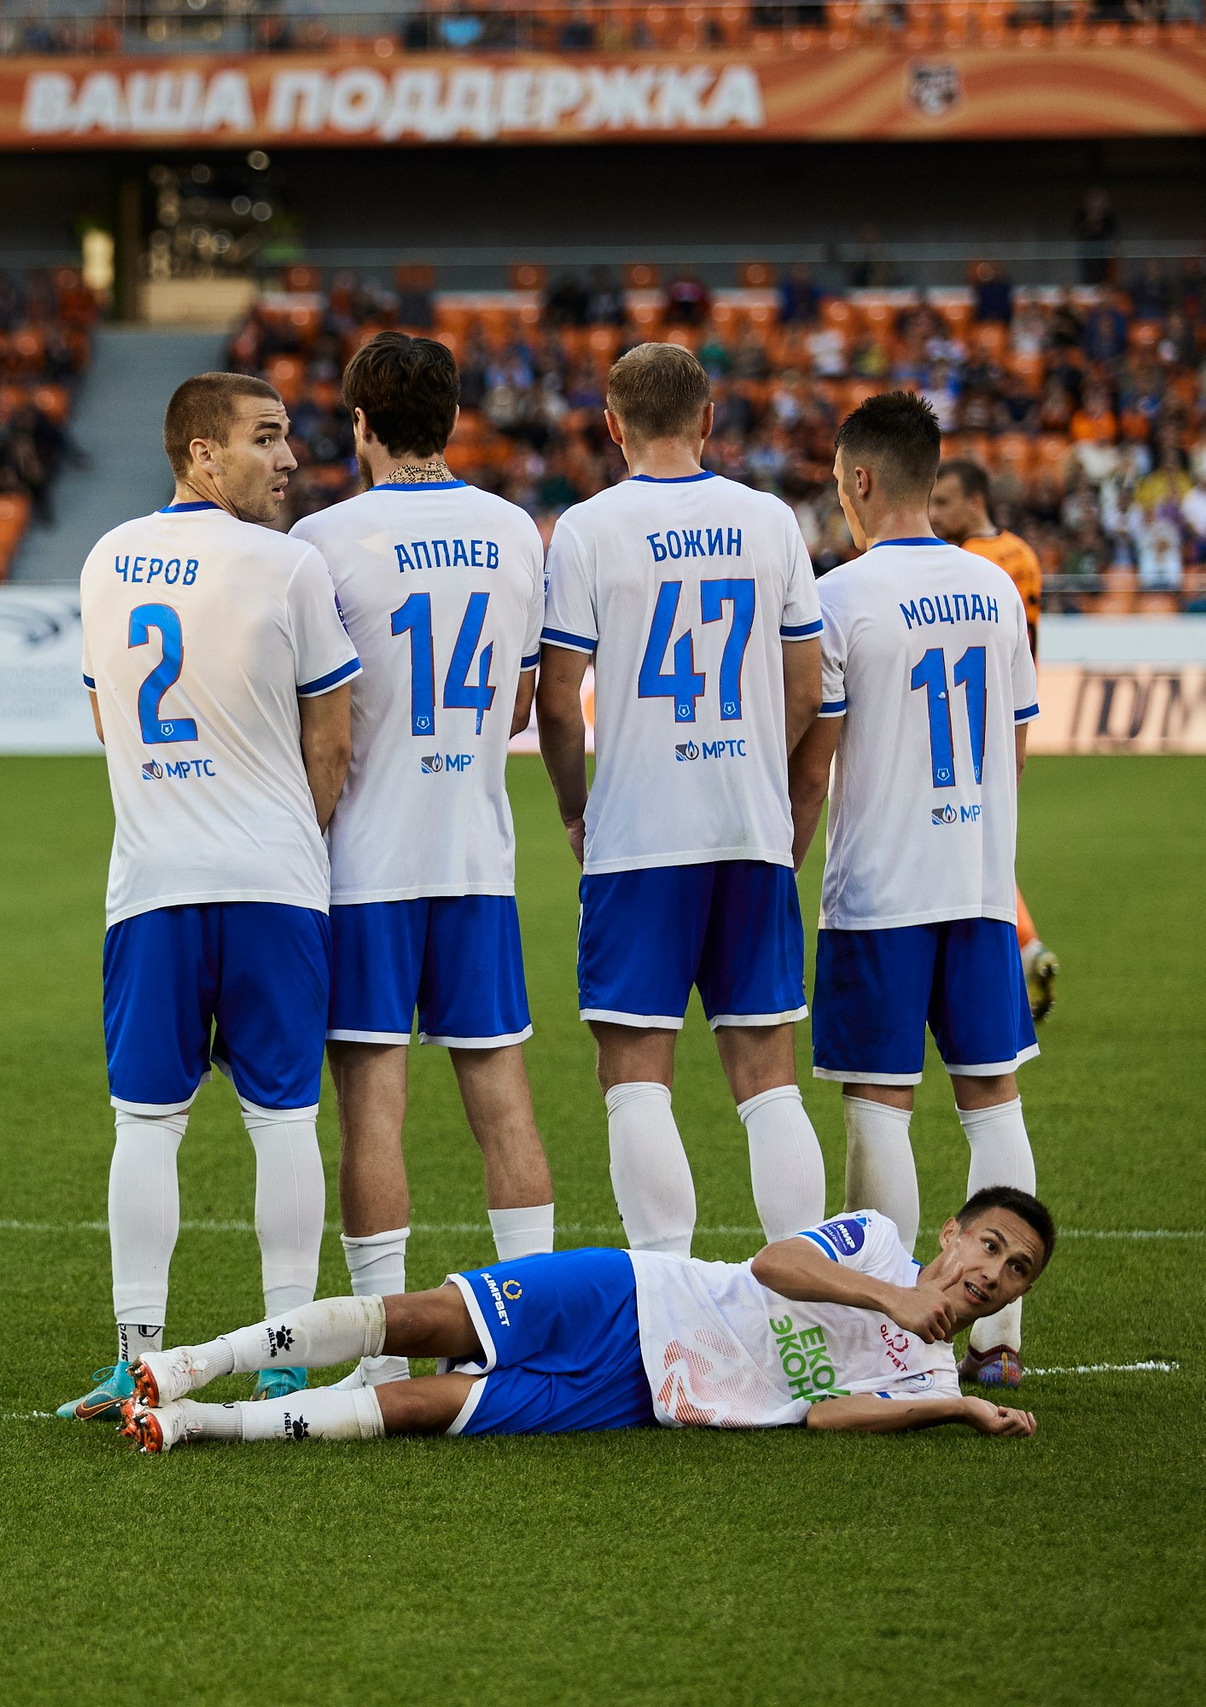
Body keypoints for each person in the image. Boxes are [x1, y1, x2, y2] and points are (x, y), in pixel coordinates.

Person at [58, 372, 357, 1421]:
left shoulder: (102, 561)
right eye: (264, 439)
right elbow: (333, 740)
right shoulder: (289, 565)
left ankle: (136, 1352)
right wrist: (283, 823)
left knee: (146, 1124)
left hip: (152, 884)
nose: (286, 458)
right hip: (274, 885)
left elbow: (109, 723)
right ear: (198, 453)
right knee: (281, 1122)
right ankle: (284, 1353)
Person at [286, 332, 556, 1387]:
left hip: (366, 862)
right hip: (475, 855)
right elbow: (525, 701)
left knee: (372, 1111)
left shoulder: (323, 539)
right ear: (452, 419)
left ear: (359, 423)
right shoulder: (510, 530)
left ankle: (381, 1362)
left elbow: (319, 720)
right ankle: (529, 1344)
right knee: (504, 1100)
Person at [536, 342, 828, 1258]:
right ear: (708, 420)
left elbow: (555, 698)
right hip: (747, 826)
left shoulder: (587, 528)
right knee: (769, 1080)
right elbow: (808, 687)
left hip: (638, 835)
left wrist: (575, 804)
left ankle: (669, 1302)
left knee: (634, 1078)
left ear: (612, 426)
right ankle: (812, 1299)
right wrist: (743, 765)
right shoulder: (770, 519)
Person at [791, 393, 1043, 1389]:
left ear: (857, 480)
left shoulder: (841, 597)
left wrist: (783, 858)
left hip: (880, 892)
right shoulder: (991, 587)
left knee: (878, 1107)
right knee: (992, 1100)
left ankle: (890, 1338)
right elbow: (1013, 749)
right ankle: (1000, 1341)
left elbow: (815, 767)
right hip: (976, 885)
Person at [118, 1187, 1051, 1450]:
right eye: (992, 1244)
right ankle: (195, 1361)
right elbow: (775, 1262)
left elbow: (824, 1415)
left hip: (639, 1397)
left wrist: (957, 1405)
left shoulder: (928, 1377)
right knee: (414, 1319)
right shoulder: (880, 1244)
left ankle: (191, 1420)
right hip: (634, 1293)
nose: (996, 1272)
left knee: (415, 1409)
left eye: (1017, 1271)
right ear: (953, 1232)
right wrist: (890, 1296)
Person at [929, 456, 1058, 1020]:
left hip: (958, 715)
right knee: (985, 843)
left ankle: (1000, 964)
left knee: (953, 844)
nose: (933, 514)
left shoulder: (962, 564)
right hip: (1008, 713)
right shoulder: (1023, 556)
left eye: (943, 502)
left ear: (974, 501)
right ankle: (1025, 949)